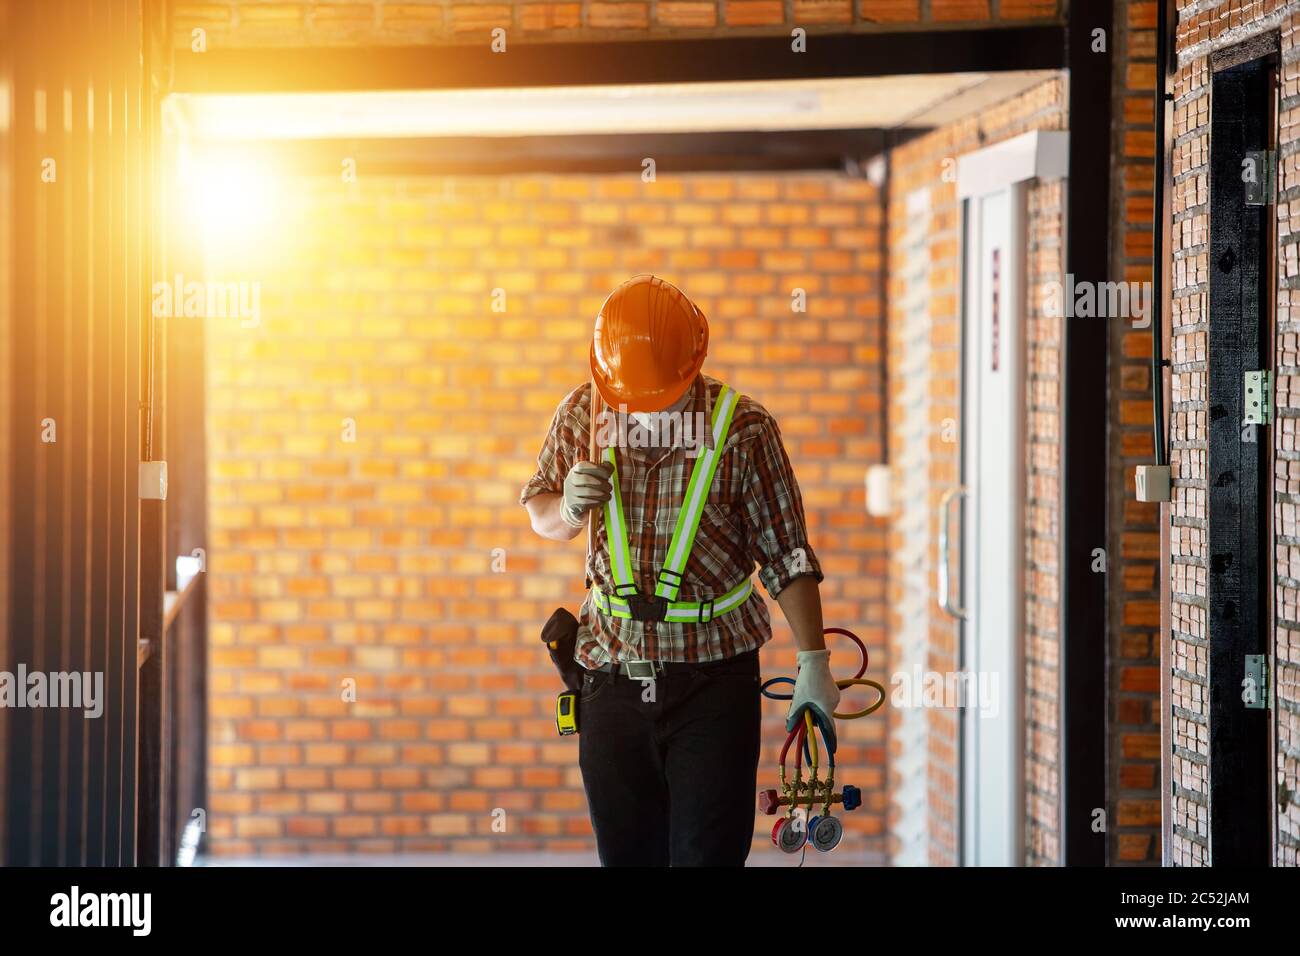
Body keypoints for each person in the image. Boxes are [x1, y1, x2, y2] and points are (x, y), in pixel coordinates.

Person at [520, 274, 840, 866]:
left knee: (706, 858)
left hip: (713, 682)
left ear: (693, 363)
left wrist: (813, 661)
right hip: (610, 675)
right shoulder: (582, 412)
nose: (642, 407)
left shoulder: (743, 428)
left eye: (658, 393)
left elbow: (787, 553)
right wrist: (565, 507)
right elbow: (545, 518)